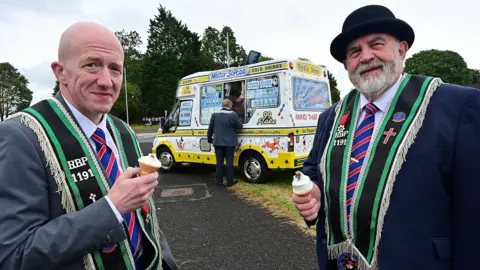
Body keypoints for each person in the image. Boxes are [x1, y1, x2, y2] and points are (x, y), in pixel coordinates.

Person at [292, 4, 480, 270]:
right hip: (339, 263)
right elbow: (313, 171)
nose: (366, 57)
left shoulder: (458, 106)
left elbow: (473, 214)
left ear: (401, 50)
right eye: (354, 52)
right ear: (346, 64)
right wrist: (313, 195)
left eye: (376, 44)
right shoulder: (331, 118)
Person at [0, 22, 178, 270]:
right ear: (60, 72)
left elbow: (146, 221)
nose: (106, 81)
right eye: (91, 65)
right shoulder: (22, 136)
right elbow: (14, 257)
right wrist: (112, 208)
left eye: (115, 68)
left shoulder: (123, 132)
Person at [207, 99, 243, 187]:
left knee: (219, 162)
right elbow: (239, 126)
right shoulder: (233, 115)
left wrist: (209, 139)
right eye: (231, 105)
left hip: (218, 142)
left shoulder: (214, 115)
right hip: (229, 143)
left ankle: (219, 182)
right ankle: (229, 182)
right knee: (229, 162)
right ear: (230, 105)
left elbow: (210, 128)